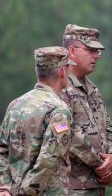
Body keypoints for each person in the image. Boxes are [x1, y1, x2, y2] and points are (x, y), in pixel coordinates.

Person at [0, 46, 74, 195]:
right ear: (62, 72)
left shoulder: (15, 104)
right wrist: (23, 192)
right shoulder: (59, 110)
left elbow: (2, 150)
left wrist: (5, 188)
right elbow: (49, 160)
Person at [61, 24, 112, 196]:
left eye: (98, 51)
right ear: (71, 51)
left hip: (95, 186)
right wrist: (99, 164)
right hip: (70, 188)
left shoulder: (92, 90)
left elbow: (109, 129)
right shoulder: (60, 88)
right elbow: (66, 134)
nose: (96, 56)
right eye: (90, 50)